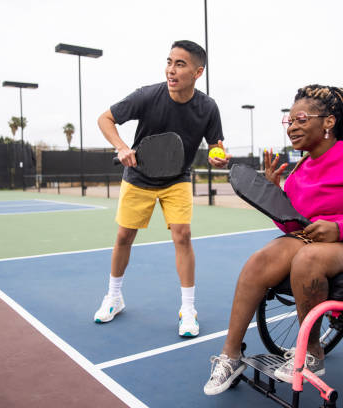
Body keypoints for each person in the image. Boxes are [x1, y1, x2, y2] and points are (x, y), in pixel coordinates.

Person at [203, 84, 343, 395]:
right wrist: (275, 196)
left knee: (309, 257)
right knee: (262, 259)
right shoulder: (301, 169)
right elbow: (295, 226)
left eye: (301, 119)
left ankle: (313, 354)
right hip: (326, 243)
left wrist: (340, 228)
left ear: (328, 122)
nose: (292, 127)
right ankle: (231, 355)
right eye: (289, 122)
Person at [94, 40, 230, 338]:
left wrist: (217, 156)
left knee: (183, 236)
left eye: (180, 64)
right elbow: (104, 119)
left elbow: (216, 146)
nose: (171, 69)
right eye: (169, 62)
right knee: (124, 235)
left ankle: (188, 309)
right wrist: (121, 146)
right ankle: (114, 297)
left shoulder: (207, 107)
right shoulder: (147, 95)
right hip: (139, 177)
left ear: (198, 72)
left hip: (177, 179)